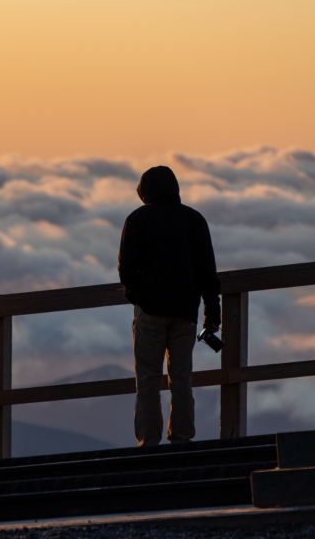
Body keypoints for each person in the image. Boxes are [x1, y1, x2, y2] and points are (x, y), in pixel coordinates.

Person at [117, 166, 221, 447]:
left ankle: (149, 442)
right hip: (185, 313)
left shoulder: (137, 220)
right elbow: (207, 273)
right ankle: (182, 439)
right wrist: (212, 313)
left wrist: (137, 296)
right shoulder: (194, 220)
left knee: (148, 381)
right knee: (181, 380)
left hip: (149, 312)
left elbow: (126, 269)